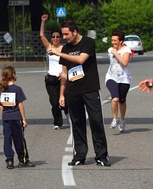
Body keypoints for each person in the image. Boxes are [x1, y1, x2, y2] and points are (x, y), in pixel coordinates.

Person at [47, 20, 110, 167]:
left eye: (66, 34)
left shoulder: (88, 42)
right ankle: (79, 155)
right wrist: (62, 94)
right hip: (72, 91)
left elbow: (81, 59)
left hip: (90, 88)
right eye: (62, 34)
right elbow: (64, 73)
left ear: (75, 32)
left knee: (96, 121)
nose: (64, 37)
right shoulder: (66, 48)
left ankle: (101, 155)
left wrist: (58, 52)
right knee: (77, 123)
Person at [0, 66, 35, 169]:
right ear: (13, 75)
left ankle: (9, 160)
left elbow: (1, 105)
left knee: (7, 139)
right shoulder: (17, 89)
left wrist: (3, 116)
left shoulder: (2, 89)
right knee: (19, 139)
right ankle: (23, 160)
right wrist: (23, 119)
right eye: (15, 73)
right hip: (15, 117)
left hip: (6, 117)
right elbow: (20, 105)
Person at [39, 14, 68, 130]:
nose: (55, 39)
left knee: (65, 100)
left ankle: (69, 115)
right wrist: (43, 22)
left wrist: (64, 72)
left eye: (57, 37)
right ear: (51, 38)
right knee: (54, 102)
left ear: (61, 38)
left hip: (63, 78)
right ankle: (57, 122)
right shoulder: (49, 47)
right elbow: (41, 35)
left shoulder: (65, 49)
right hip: (51, 78)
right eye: (53, 37)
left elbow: (70, 61)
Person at [105, 30, 132, 133]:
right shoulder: (110, 49)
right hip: (111, 77)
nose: (113, 42)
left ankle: (122, 120)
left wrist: (116, 53)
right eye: (112, 40)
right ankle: (114, 119)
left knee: (122, 101)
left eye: (115, 40)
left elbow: (125, 63)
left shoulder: (126, 50)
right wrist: (113, 51)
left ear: (120, 41)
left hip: (124, 78)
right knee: (115, 99)